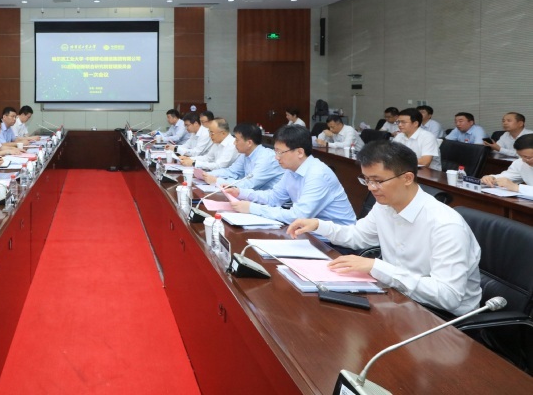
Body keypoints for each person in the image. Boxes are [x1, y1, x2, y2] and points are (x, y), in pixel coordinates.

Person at [288, 140, 482, 316]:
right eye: (366, 180)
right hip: (399, 298)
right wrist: (318, 225)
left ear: (407, 178)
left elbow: (448, 296)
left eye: (378, 181)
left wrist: (377, 267)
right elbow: (357, 236)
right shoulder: (385, 206)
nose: (371, 188)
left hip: (443, 316)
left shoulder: (445, 224)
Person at [226, 125, 356, 226]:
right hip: (309, 232)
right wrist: (241, 193)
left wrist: (252, 208)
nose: (276, 157)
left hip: (334, 243)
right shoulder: (291, 169)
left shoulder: (318, 174)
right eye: (275, 151)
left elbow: (298, 216)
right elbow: (274, 198)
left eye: (280, 152)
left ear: (300, 152)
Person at [205, 123, 283, 190]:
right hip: (253, 194)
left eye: (237, 140)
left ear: (249, 143)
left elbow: (250, 184)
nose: (234, 143)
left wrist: (218, 181)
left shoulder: (266, 158)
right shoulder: (245, 154)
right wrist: (208, 174)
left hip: (270, 199)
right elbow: (232, 172)